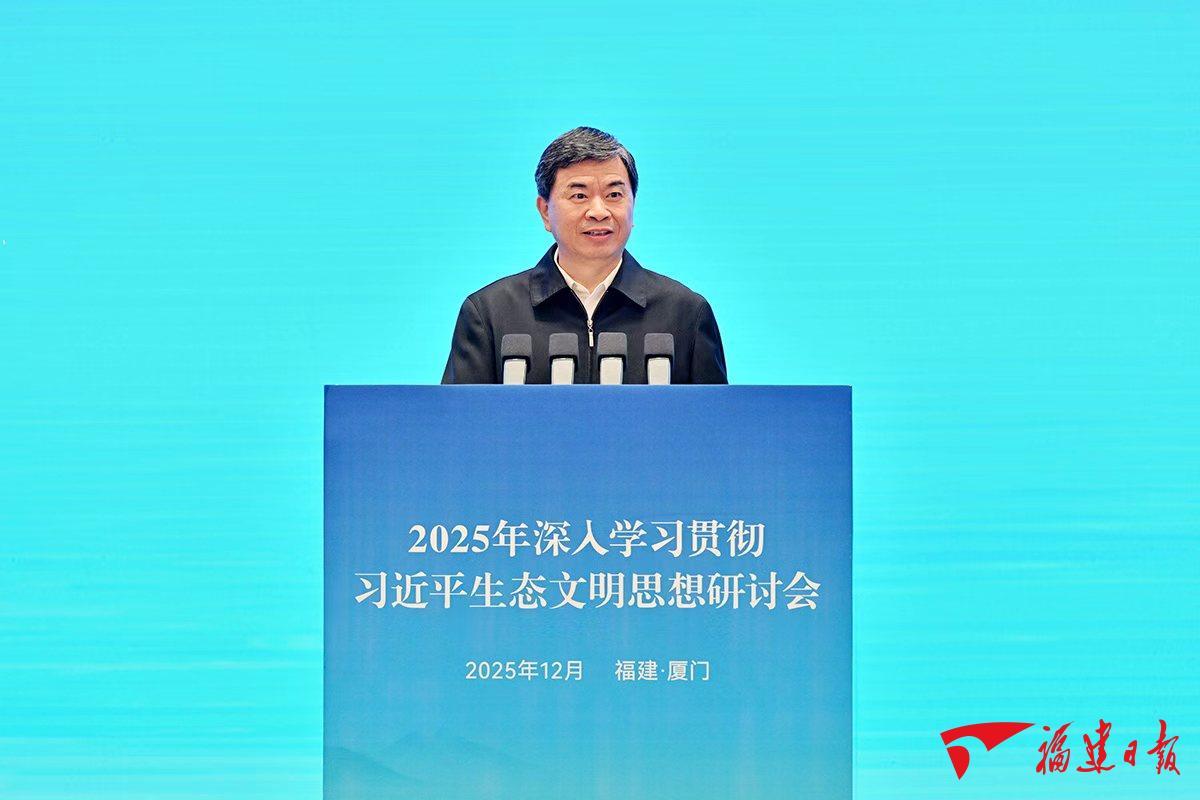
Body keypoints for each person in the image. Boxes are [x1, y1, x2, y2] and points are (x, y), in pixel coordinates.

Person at [441, 126, 727, 384]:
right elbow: (459, 421)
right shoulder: (490, 314)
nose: (599, 212)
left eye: (614, 195)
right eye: (579, 196)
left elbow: (716, 422)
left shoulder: (685, 314)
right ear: (545, 212)